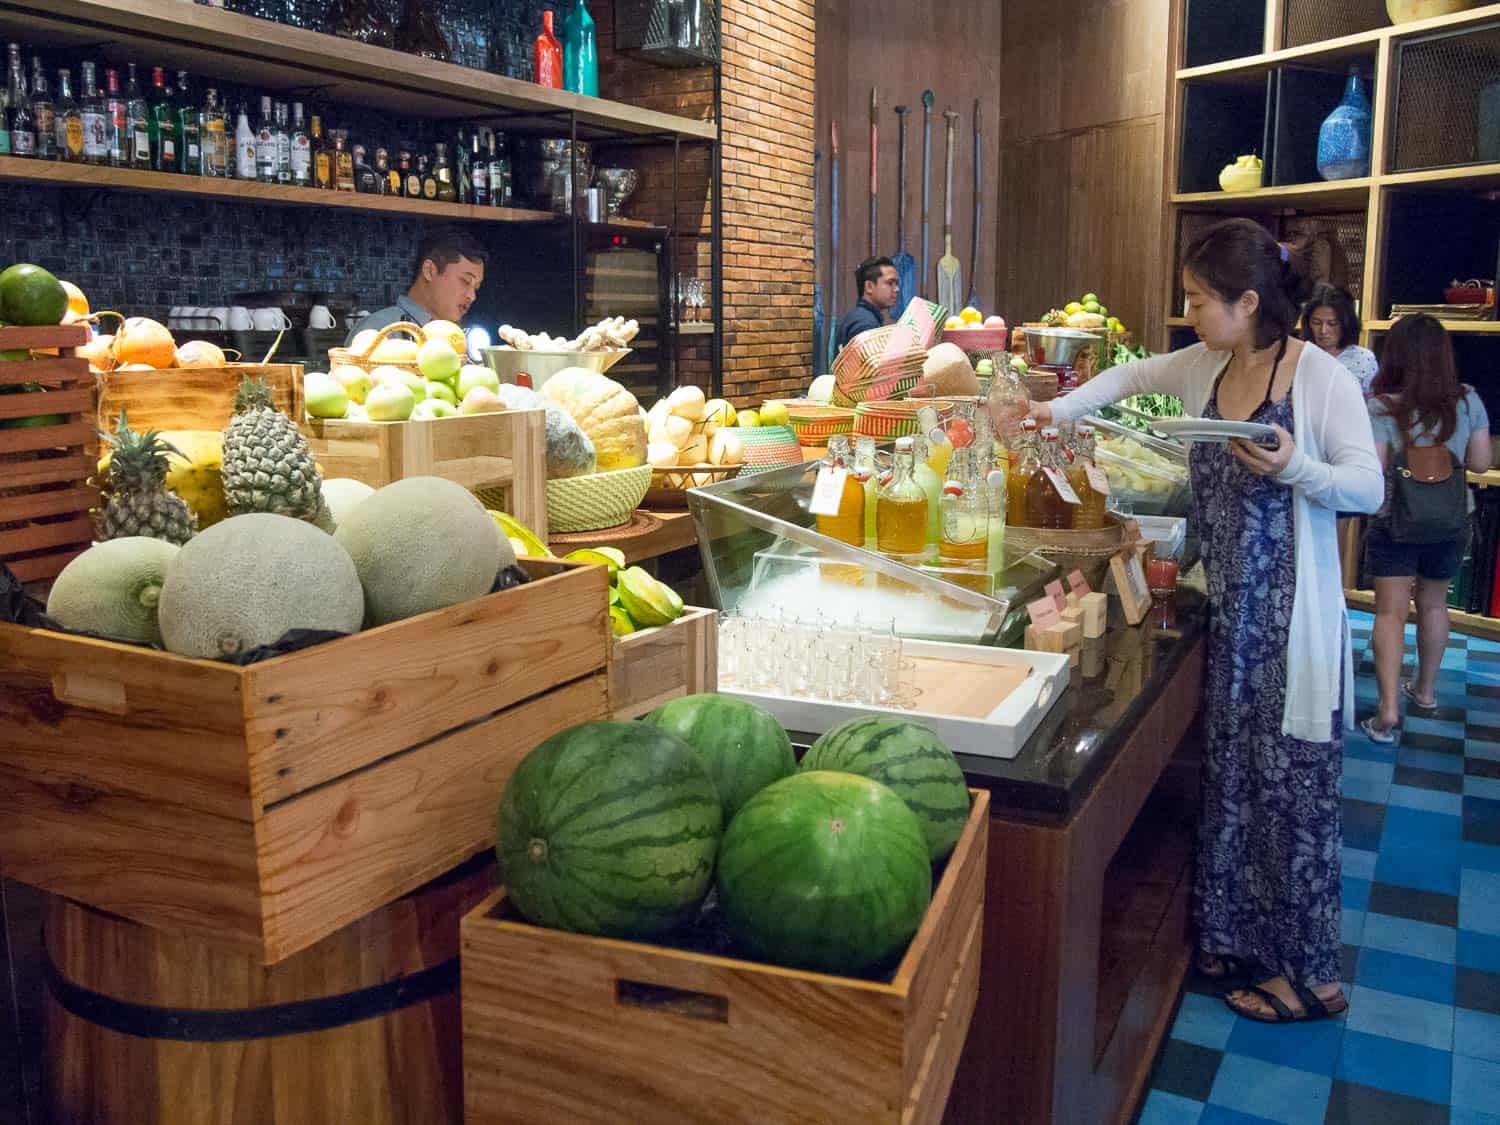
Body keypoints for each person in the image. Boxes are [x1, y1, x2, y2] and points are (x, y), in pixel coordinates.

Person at [1029, 217, 1382, 1024]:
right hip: (1232, 612)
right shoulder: (1206, 366)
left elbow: (1367, 489)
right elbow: (1126, 381)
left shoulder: (1318, 376)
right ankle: (1231, 939)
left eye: (1199, 298)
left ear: (1249, 300)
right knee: (1238, 781)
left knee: (1294, 792)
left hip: (1293, 622)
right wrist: (1056, 414)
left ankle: (1310, 976)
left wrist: (1294, 464)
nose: (1189, 311)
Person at [1361, 315, 1492, 743]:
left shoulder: (1381, 405)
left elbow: (1374, 468)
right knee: (1435, 605)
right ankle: (1426, 691)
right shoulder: (1469, 399)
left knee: (1390, 613)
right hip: (1452, 518)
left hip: (1396, 519)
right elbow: (1479, 463)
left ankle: (1387, 713)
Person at [344, 225, 487, 345]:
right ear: (429, 271)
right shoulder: (378, 330)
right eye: (465, 281)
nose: (472, 296)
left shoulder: (462, 339)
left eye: (476, 288)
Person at [1301, 283, 1379, 396]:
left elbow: (1370, 405)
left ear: (1346, 323)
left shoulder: (1363, 359)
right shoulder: (1299, 355)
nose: (1323, 330)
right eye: (1316, 323)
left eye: (1332, 323)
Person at [835, 256, 900, 350]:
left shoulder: (858, 316)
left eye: (897, 284)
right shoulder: (866, 324)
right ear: (869, 286)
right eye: (890, 283)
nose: (897, 289)